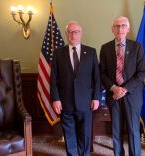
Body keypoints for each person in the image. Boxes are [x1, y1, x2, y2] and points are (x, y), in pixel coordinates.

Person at [51, 21, 100, 156]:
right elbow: (53, 79)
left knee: (85, 134)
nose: (73, 34)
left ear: (81, 33)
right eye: (70, 32)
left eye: (76, 31)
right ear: (66, 34)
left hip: (86, 102)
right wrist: (55, 99)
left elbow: (97, 78)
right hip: (65, 102)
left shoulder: (91, 52)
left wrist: (96, 97)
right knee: (69, 135)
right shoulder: (58, 53)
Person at [99, 16, 145, 156]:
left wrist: (124, 89)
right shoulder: (105, 48)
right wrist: (114, 88)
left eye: (123, 25)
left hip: (132, 96)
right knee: (116, 131)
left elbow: (142, 72)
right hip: (113, 96)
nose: (120, 29)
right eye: (117, 26)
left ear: (128, 29)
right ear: (112, 29)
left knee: (133, 130)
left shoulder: (137, 47)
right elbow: (102, 73)